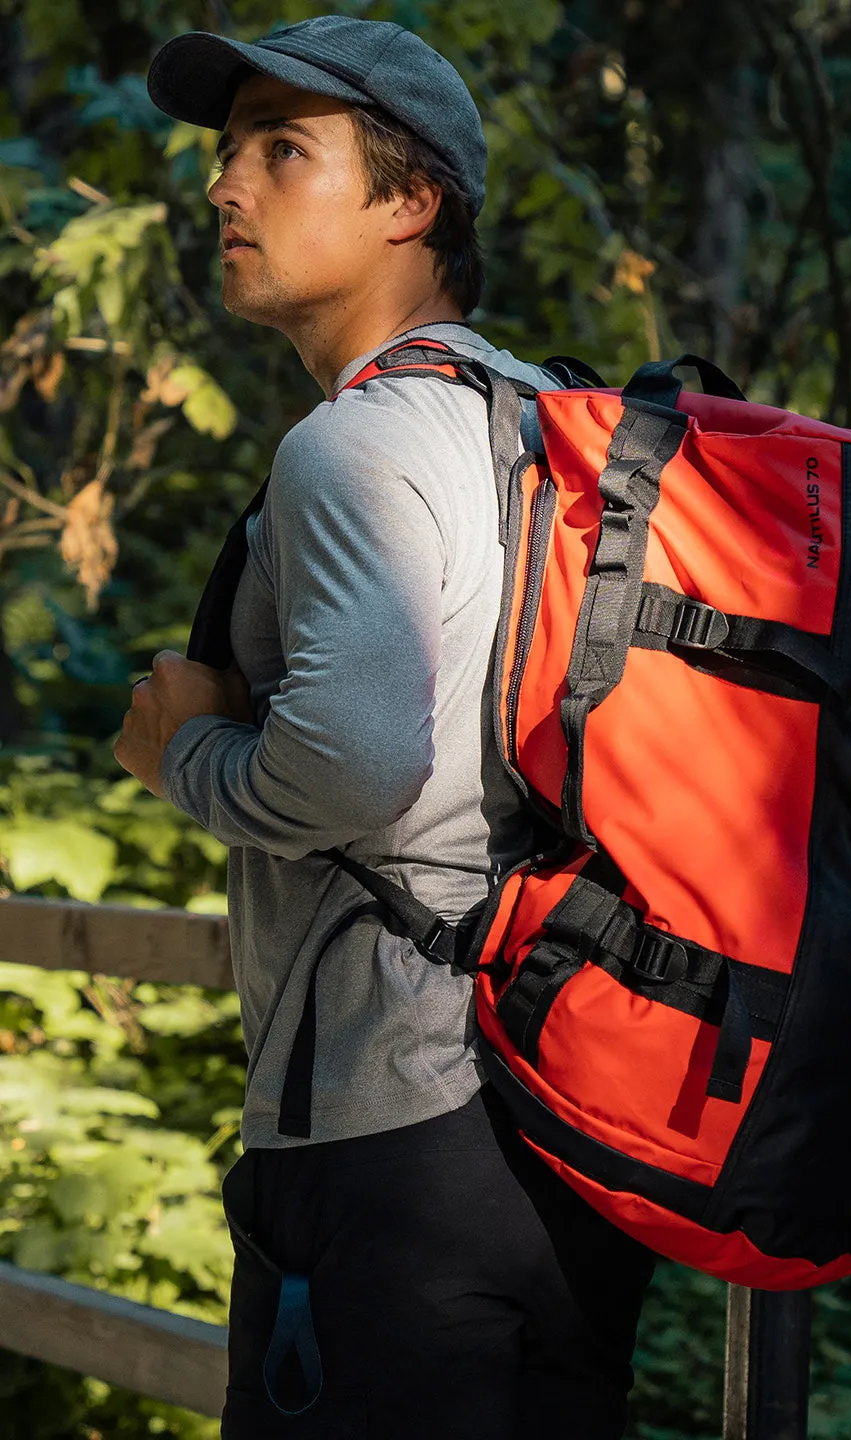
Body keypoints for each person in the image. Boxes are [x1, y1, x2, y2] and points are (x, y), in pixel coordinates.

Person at [116, 16, 655, 1438]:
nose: (227, 187)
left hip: (388, 1147)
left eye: (283, 150)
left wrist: (181, 749)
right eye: (230, 151)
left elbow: (353, 768)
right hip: (557, 1134)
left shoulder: (349, 446)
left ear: (412, 200)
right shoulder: (546, 423)